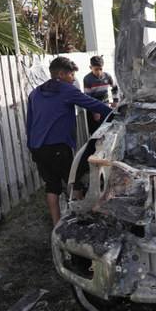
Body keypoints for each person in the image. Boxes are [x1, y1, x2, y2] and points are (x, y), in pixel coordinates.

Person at [26, 57, 112, 226]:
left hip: (37, 147)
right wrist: (118, 113)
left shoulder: (35, 93)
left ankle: (56, 225)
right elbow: (93, 104)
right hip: (57, 146)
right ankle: (82, 222)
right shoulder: (67, 90)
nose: (73, 79)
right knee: (75, 182)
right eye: (72, 75)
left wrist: (31, 147)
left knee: (52, 186)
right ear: (61, 74)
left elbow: (29, 123)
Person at [82, 55, 118, 135]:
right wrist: (95, 112)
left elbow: (115, 87)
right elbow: (88, 97)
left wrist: (115, 100)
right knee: (95, 133)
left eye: (100, 69)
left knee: (106, 131)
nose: (99, 72)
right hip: (93, 109)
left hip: (104, 107)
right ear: (90, 67)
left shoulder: (107, 76)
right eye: (96, 70)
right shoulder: (87, 79)